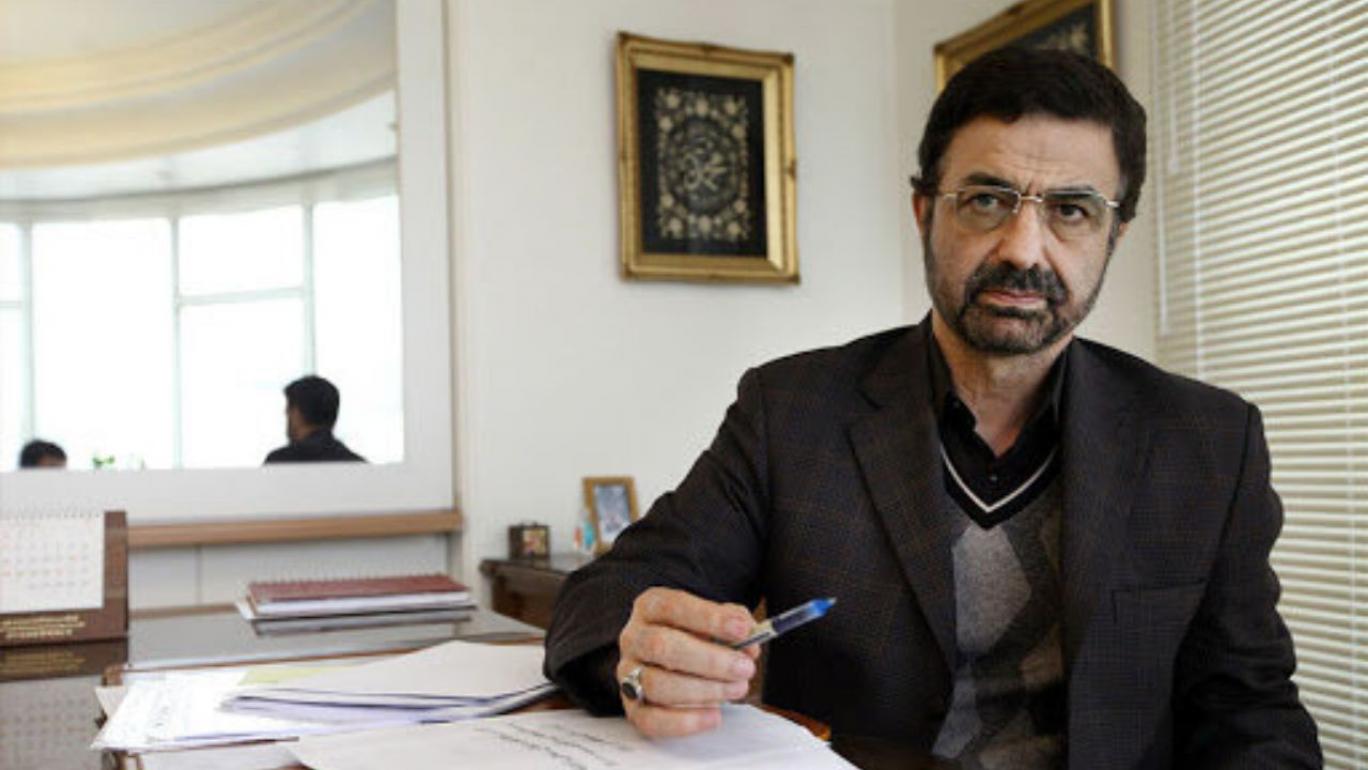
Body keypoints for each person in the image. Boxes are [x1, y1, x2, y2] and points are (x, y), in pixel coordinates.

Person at [544, 47, 1320, 768]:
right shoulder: (792, 412)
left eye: (1071, 211)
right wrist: (640, 658)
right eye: (985, 199)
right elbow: (606, 597)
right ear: (924, 212)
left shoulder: (1206, 443)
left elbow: (1249, 710)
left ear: (1114, 234)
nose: (1023, 249)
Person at [263, 375, 365, 464]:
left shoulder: (279, 462)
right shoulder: (358, 464)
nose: (286, 414)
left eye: (288, 410)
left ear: (296, 413)